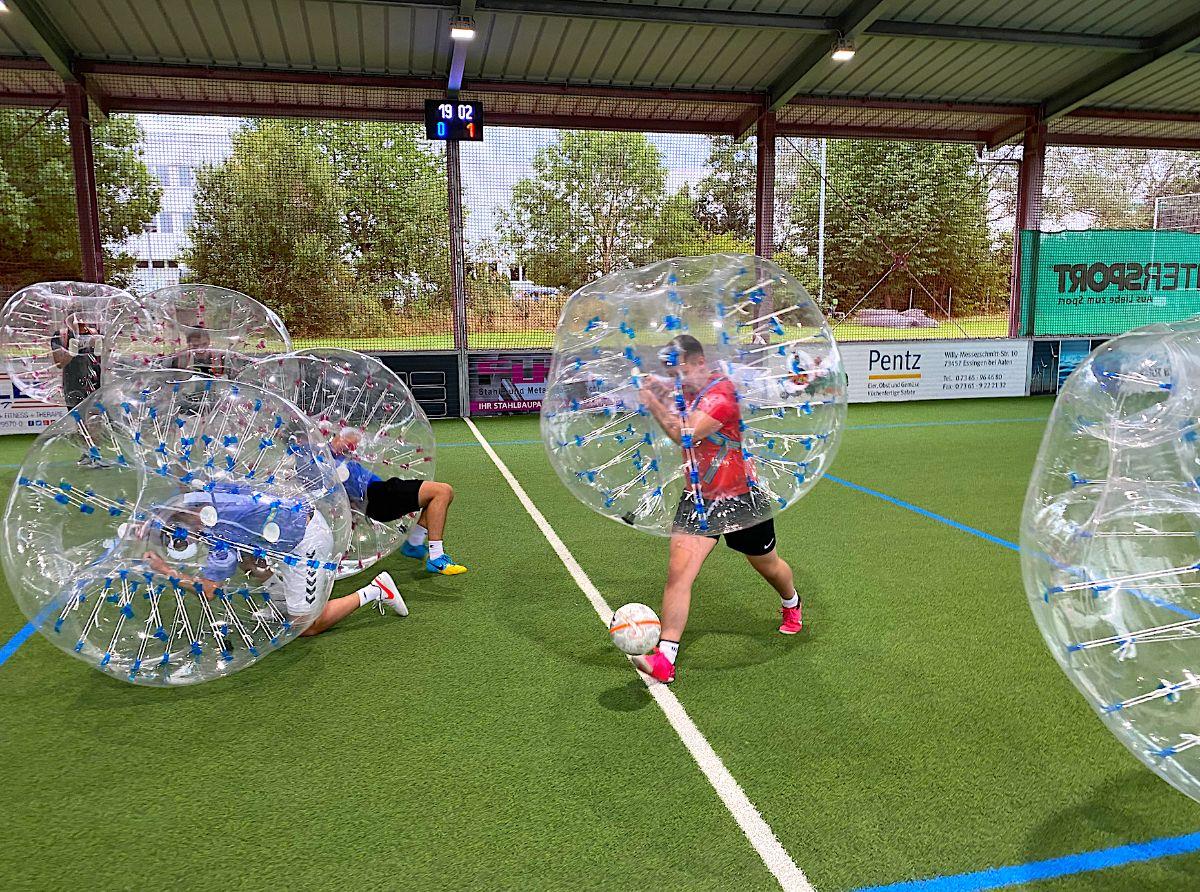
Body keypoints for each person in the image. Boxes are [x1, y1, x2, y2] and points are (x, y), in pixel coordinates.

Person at [631, 334, 803, 684]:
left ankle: (791, 602)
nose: (677, 379)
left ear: (699, 363)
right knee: (679, 572)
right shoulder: (688, 388)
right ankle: (665, 658)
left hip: (741, 497)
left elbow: (686, 434)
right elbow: (676, 399)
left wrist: (652, 400)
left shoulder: (722, 394)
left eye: (681, 372)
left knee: (767, 565)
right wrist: (658, 387)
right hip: (699, 497)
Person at [143, 486, 408, 638]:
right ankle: (284, 602)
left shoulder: (215, 529)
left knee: (305, 627)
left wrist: (164, 570)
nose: (182, 541)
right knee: (247, 558)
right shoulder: (212, 495)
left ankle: (375, 590)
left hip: (307, 543)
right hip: (293, 530)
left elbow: (209, 590)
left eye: (176, 537)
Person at [331, 429, 468, 576]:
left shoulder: (337, 457)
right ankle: (436, 556)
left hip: (382, 491)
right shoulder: (327, 461)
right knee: (442, 492)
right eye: (345, 440)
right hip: (377, 496)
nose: (352, 446)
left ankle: (414, 544)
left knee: (438, 495)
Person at [49, 308, 102, 409]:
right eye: (75, 318)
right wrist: (71, 352)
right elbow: (59, 364)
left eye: (82, 318)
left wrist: (98, 347)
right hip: (72, 384)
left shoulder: (95, 334)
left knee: (96, 417)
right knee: (78, 418)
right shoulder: (61, 335)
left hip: (96, 383)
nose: (80, 322)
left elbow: (106, 359)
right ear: (68, 321)